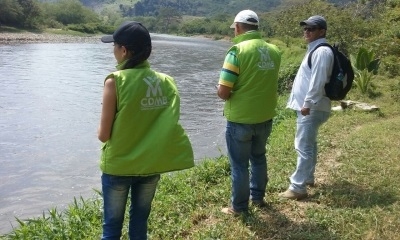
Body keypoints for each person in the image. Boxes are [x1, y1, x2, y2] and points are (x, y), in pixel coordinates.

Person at [98, 21, 194, 239]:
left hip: (119, 166)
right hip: (151, 165)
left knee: (112, 227)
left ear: (123, 50)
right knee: (140, 220)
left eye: (114, 46)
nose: (113, 51)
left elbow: (103, 135)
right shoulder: (167, 82)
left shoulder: (115, 81)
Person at [216, 10, 282, 214]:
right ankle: (258, 198)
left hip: (240, 120)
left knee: (239, 165)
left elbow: (223, 92)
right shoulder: (274, 50)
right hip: (265, 116)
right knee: (259, 157)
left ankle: (239, 207)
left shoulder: (237, 51)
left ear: (237, 28)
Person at [279, 15, 334, 200]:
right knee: (310, 144)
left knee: (303, 146)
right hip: (313, 107)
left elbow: (318, 82)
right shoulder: (315, 49)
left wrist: (307, 104)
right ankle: (308, 177)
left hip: (311, 108)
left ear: (322, 31)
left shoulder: (321, 52)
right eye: (305, 28)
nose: (307, 32)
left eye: (311, 29)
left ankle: (297, 187)